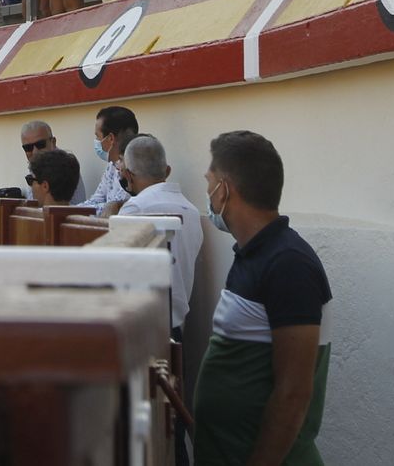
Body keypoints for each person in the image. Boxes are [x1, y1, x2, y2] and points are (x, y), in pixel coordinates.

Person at [193, 131, 333, 466]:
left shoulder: (288, 264)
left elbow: (294, 392)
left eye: (209, 183)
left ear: (223, 190)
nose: (208, 194)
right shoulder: (254, 255)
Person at [117, 134, 203, 334]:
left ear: (128, 176)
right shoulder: (192, 211)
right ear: (168, 171)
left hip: (141, 326)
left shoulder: (134, 208)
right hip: (176, 326)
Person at [83, 105, 137, 214]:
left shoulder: (135, 167)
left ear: (110, 138)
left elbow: (116, 207)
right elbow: (96, 200)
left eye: (98, 137)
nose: (96, 141)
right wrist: (66, 211)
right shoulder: (112, 165)